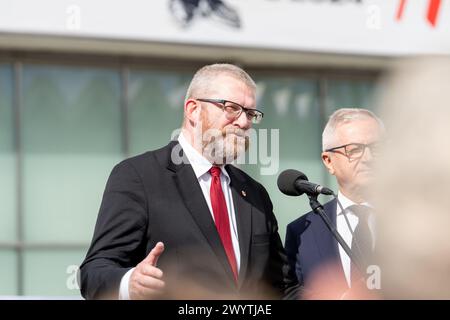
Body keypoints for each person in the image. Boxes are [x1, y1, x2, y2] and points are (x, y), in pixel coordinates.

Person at [79, 63, 299, 300]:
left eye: (250, 114)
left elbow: (282, 287)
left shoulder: (255, 194)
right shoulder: (138, 176)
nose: (244, 123)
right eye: (232, 108)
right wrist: (129, 283)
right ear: (193, 110)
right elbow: (93, 272)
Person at [284, 108, 384, 298]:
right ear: (328, 161)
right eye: (354, 150)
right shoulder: (302, 232)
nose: (369, 158)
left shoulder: (415, 222)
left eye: (377, 148)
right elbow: (290, 292)